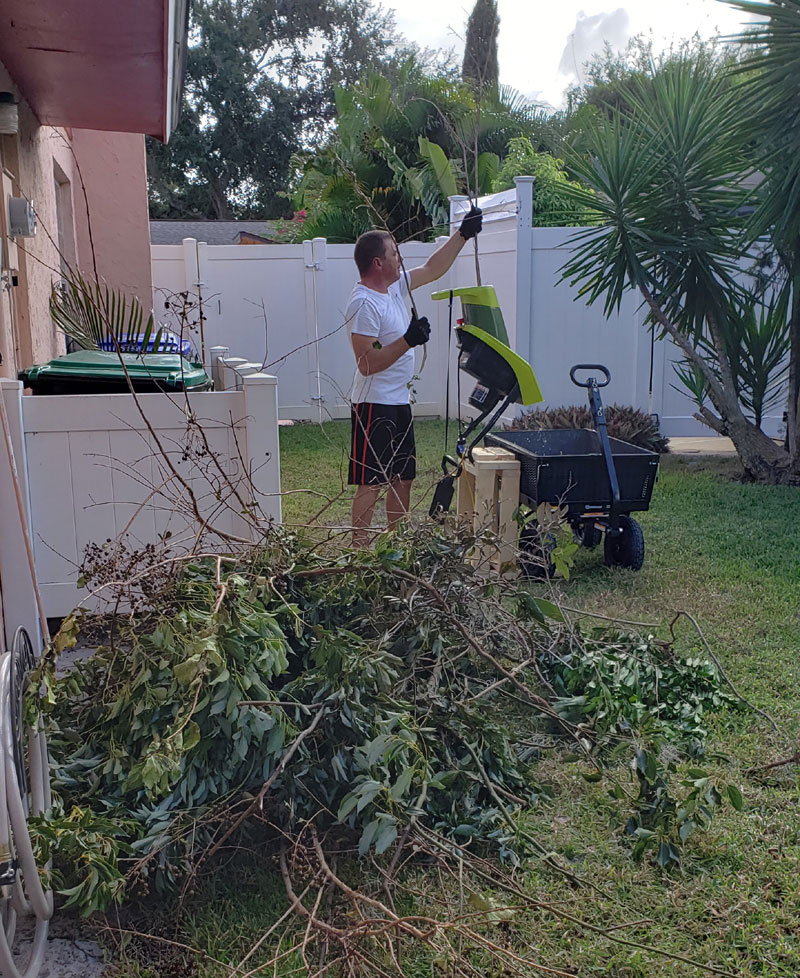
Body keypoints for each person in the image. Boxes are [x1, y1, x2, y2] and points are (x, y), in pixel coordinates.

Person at [346, 207, 483, 545]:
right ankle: (359, 550)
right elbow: (366, 362)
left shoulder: (393, 289)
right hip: (372, 404)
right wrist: (408, 340)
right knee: (372, 481)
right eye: (394, 253)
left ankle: (397, 545)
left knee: (402, 477)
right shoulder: (363, 303)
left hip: (398, 402)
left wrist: (463, 233)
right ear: (378, 263)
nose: (400, 257)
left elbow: (434, 268)